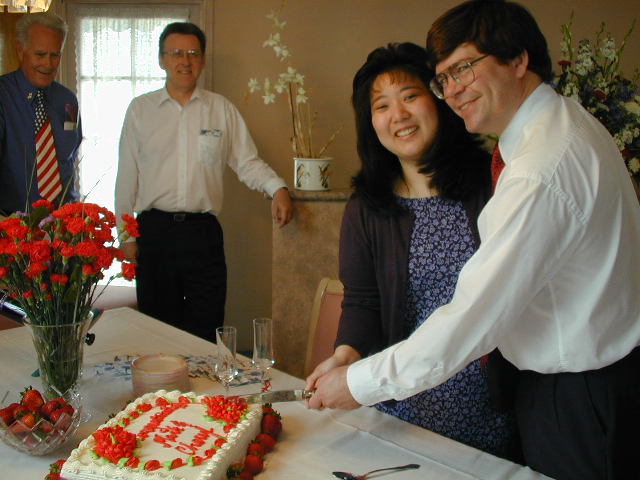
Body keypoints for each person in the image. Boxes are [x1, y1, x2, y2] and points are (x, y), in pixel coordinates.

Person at [307, 2, 640, 479]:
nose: (454, 89)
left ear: (519, 59)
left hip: (574, 391)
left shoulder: (537, 171)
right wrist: (349, 359)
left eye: (464, 68)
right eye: (444, 78)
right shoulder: (556, 131)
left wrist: (358, 384)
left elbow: (473, 316)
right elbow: (365, 300)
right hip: (552, 387)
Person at [305, 42, 518, 459]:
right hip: (400, 404)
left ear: (438, 100)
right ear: (370, 123)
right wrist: (345, 355)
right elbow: (363, 301)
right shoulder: (367, 206)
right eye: (381, 105)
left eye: (410, 96)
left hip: (491, 407)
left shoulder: (491, 181)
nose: (398, 115)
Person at [115, 22, 293, 342]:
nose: (185, 60)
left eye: (193, 53)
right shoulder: (140, 110)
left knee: (207, 325)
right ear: (162, 60)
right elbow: (127, 177)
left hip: (202, 234)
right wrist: (126, 235)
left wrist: (277, 187)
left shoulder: (220, 109)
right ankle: (163, 393)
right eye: (177, 53)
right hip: (155, 234)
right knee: (158, 330)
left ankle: (207, 392)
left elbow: (246, 161)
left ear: (203, 60)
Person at [0, 12, 82, 216]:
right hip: (12, 228)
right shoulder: (3, 95)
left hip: (62, 225)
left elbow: (70, 157)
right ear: (20, 50)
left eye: (55, 55)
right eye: (40, 54)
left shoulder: (67, 100)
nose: (48, 63)